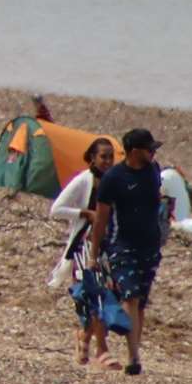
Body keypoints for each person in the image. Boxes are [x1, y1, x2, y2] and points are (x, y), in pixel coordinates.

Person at [89, 129, 169, 376]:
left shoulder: (153, 171)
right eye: (149, 149)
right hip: (122, 245)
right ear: (135, 151)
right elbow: (101, 219)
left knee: (140, 302)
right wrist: (93, 253)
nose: (153, 153)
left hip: (150, 246)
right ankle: (133, 356)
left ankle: (134, 348)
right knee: (130, 296)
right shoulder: (114, 178)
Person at [50, 137, 117, 369]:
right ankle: (102, 350)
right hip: (84, 245)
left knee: (108, 293)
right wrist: (84, 213)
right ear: (92, 158)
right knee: (93, 292)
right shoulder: (83, 180)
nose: (108, 161)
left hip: (108, 245)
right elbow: (56, 209)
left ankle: (84, 337)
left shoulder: (114, 181)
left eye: (111, 156)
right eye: (103, 156)